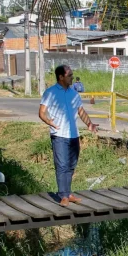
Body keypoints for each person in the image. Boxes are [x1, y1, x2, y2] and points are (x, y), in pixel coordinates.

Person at [39, 64, 99, 206]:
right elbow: (41, 112)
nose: (72, 77)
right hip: (59, 135)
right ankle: (63, 195)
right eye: (70, 75)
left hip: (74, 135)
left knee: (71, 165)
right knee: (62, 165)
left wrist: (89, 124)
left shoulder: (74, 93)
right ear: (61, 77)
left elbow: (81, 111)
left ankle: (68, 192)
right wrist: (50, 122)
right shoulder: (50, 92)